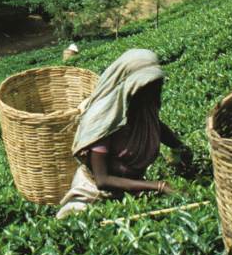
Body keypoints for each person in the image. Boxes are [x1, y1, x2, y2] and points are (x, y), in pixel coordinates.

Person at [56, 49, 188, 218]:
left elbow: (158, 127)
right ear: (131, 86)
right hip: (93, 194)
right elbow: (102, 180)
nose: (156, 88)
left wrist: (180, 147)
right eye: (149, 84)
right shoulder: (103, 120)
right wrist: (158, 186)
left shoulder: (144, 108)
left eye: (157, 82)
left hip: (132, 190)